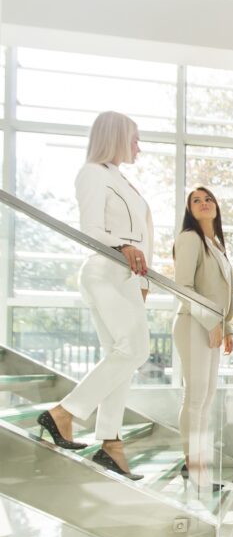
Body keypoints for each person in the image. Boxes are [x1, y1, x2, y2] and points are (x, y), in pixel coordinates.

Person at [36, 111, 153, 481]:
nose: (139, 146)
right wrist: (121, 245)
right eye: (134, 138)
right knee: (134, 350)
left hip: (127, 277)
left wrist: (143, 284)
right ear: (116, 137)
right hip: (105, 271)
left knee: (121, 358)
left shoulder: (120, 178)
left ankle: (110, 443)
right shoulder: (92, 173)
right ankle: (64, 413)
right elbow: (89, 229)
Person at [173, 187, 233, 492]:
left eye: (208, 198)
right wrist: (212, 321)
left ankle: (199, 468)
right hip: (193, 324)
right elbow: (182, 287)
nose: (203, 203)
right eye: (195, 200)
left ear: (217, 206)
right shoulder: (189, 239)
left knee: (206, 399)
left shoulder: (217, 245)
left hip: (211, 327)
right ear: (189, 210)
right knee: (195, 397)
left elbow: (222, 293)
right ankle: (192, 465)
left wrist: (228, 328)